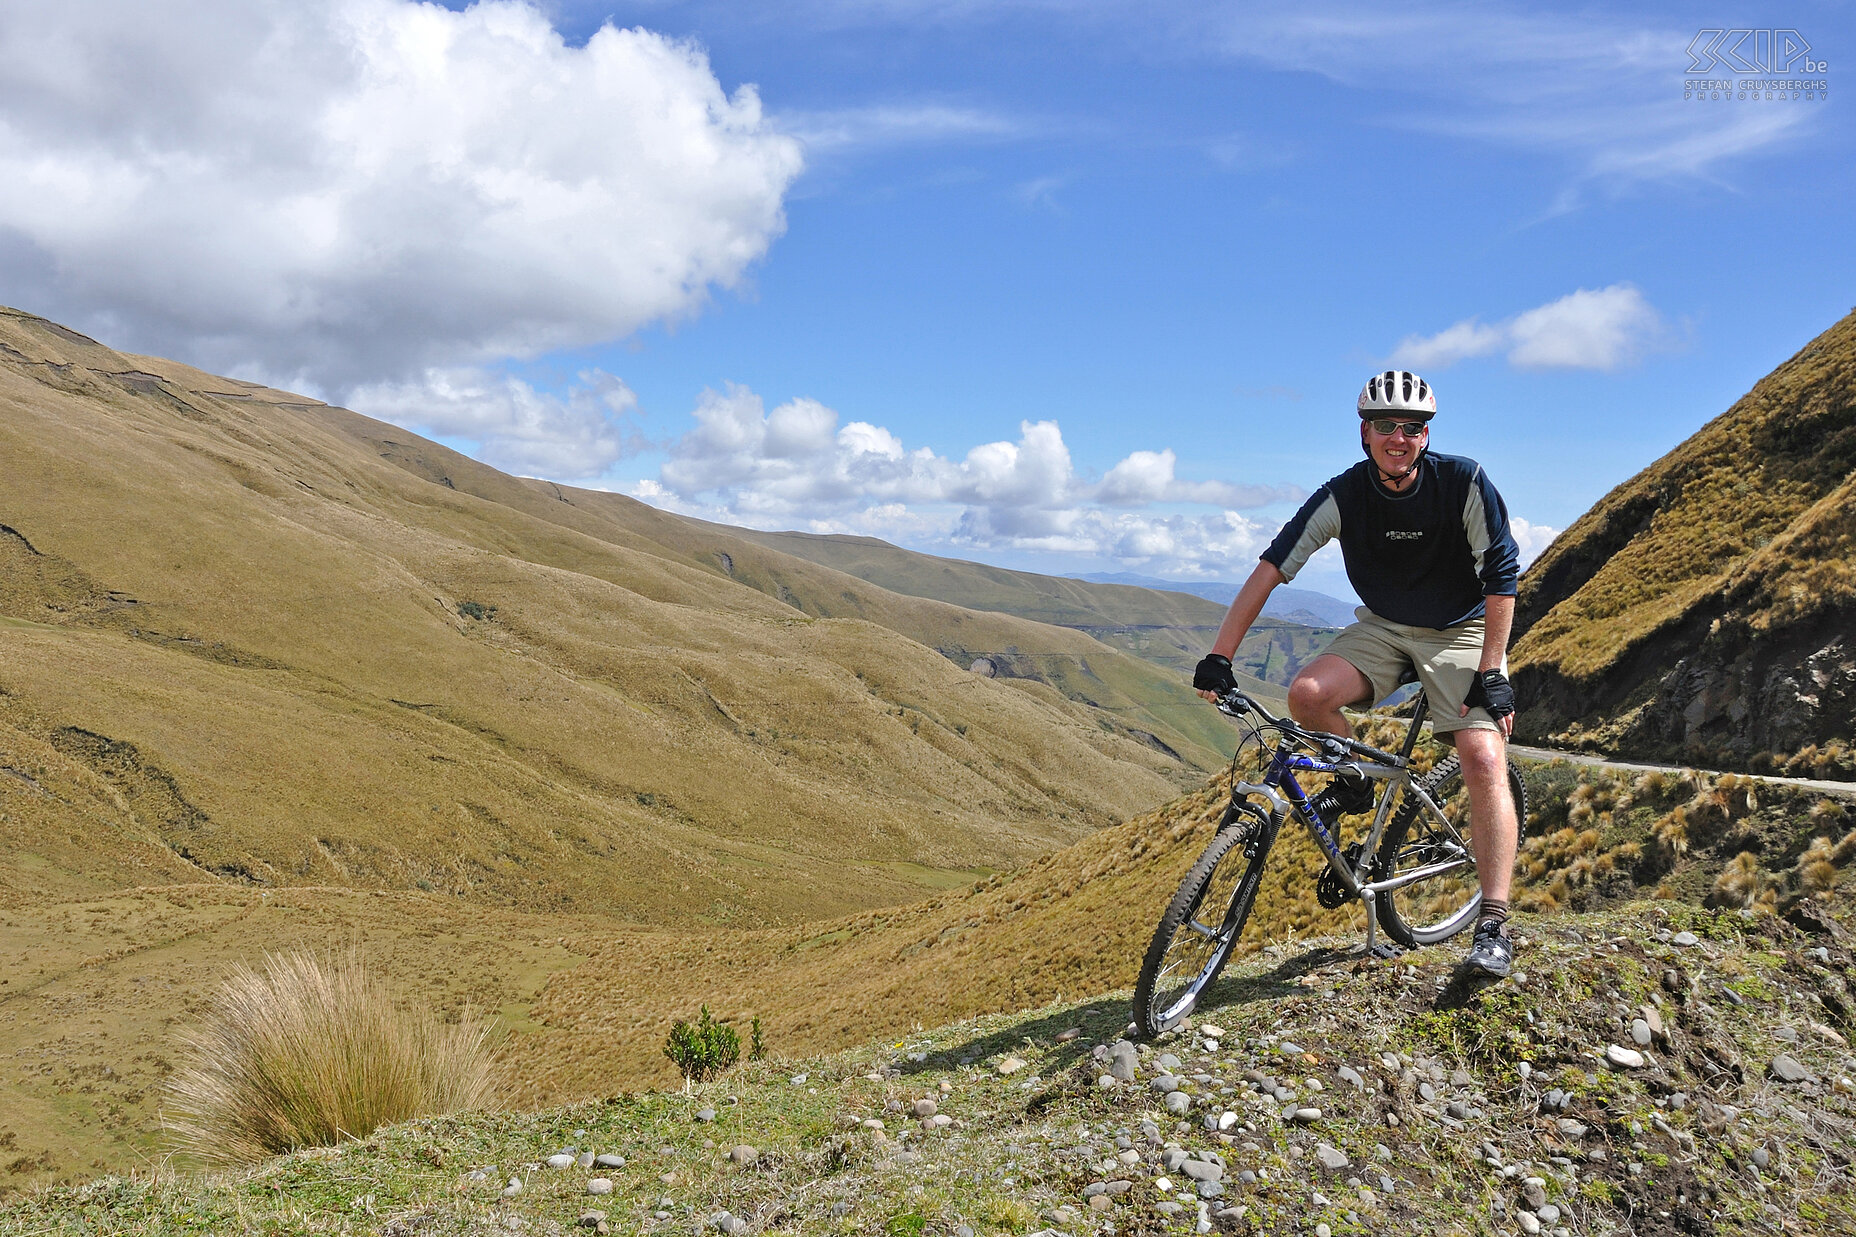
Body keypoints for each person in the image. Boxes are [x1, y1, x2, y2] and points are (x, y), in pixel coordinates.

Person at [1192, 369, 1523, 977]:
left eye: (1412, 427)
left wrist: (1492, 668)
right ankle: (1358, 780)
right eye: (1385, 426)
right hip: (1384, 626)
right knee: (1307, 694)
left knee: (1482, 756)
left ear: (1425, 434)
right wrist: (1221, 655)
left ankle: (1495, 922)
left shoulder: (1463, 481)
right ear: (1364, 431)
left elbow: (1502, 576)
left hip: (1461, 628)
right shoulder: (1343, 495)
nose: (1399, 437)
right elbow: (1271, 568)